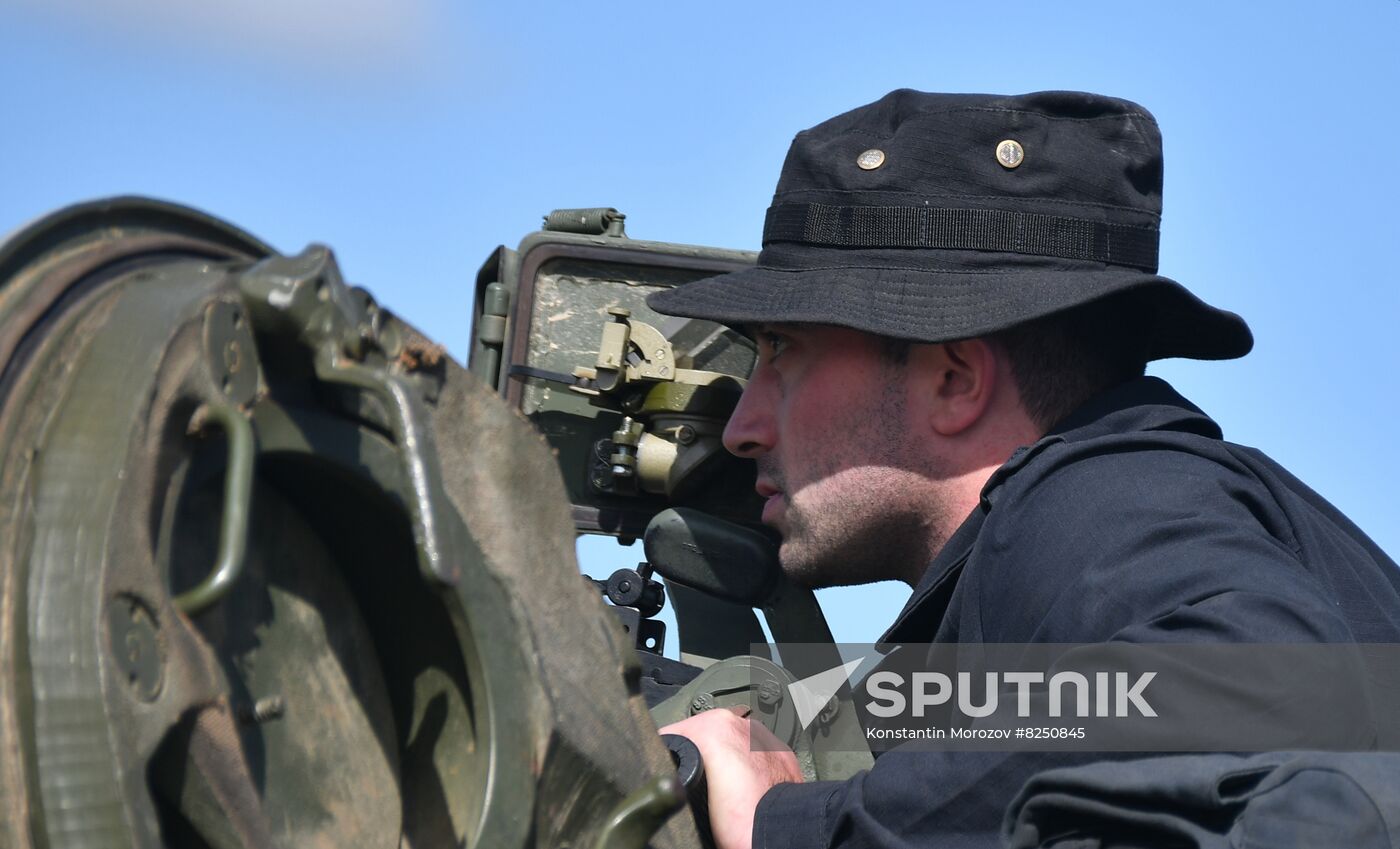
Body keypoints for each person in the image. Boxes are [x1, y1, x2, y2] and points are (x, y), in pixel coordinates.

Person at [646, 90, 1400, 849]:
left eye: (781, 349)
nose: (742, 428)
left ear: (955, 381)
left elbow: (1255, 687)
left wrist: (791, 824)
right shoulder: (1098, 538)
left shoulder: (1103, 496)